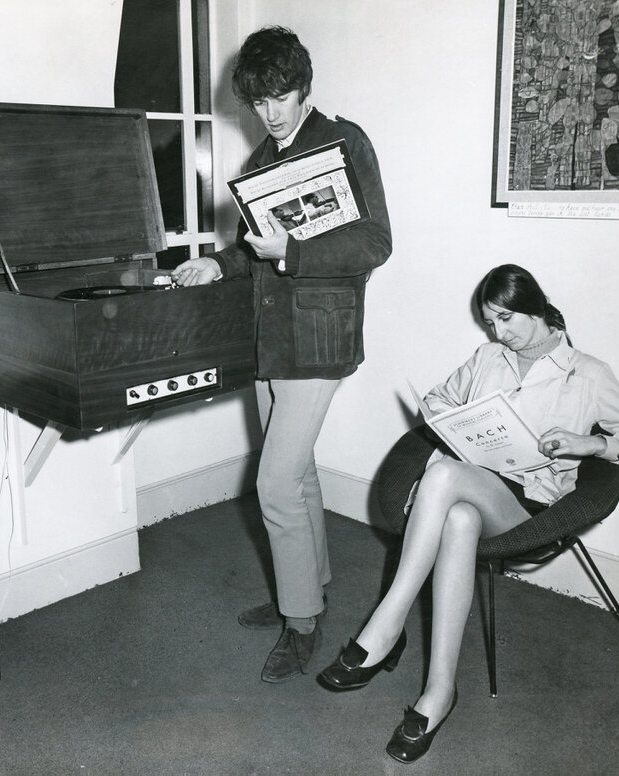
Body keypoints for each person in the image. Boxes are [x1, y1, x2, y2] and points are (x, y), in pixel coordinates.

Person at [316, 264, 619, 763]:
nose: (500, 334)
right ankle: (438, 694)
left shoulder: (586, 374)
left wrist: (591, 443)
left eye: (508, 320)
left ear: (538, 309)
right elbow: (439, 399)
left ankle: (386, 624)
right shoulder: (488, 357)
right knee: (459, 518)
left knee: (442, 477)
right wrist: (452, 422)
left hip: (529, 507)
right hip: (472, 496)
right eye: (491, 324)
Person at [171, 25, 392, 683]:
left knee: (272, 483)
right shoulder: (258, 164)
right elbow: (250, 247)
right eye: (259, 99)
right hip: (271, 340)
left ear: (304, 86)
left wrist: (293, 254)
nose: (270, 111)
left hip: (320, 337)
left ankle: (300, 625)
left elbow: (374, 242)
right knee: (295, 476)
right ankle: (309, 590)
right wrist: (216, 264)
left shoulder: (344, 141)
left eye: (281, 94)